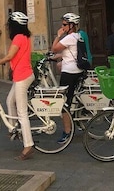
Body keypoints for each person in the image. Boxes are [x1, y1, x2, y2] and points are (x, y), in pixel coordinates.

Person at [0, 12, 35, 160]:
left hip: (22, 77)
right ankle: (14, 128)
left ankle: (28, 145)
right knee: (9, 100)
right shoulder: (25, 37)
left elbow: (10, 56)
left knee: (22, 112)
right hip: (23, 75)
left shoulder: (18, 38)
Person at [50, 12, 84, 143]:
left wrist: (58, 36)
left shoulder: (68, 38)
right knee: (71, 98)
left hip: (69, 73)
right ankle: (75, 121)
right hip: (77, 70)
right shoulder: (78, 36)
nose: (62, 27)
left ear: (71, 25)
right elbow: (69, 53)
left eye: (64, 25)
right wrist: (58, 57)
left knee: (64, 102)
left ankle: (67, 132)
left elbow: (54, 48)